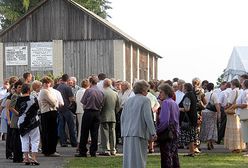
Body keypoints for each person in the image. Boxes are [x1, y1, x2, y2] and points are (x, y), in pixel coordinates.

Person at [121, 80, 156, 168]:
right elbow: (148, 117)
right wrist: (153, 132)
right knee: (139, 158)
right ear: (144, 90)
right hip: (139, 132)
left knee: (128, 158)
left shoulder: (128, 100)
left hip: (127, 132)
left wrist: (123, 131)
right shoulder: (145, 100)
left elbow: (122, 117)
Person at [75, 75, 104, 157]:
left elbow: (83, 102)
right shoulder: (101, 92)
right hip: (97, 112)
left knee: (84, 132)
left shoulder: (88, 91)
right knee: (95, 133)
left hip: (88, 112)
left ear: (91, 82)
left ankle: (83, 151)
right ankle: (93, 151)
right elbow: (102, 103)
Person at [157, 83, 180, 168]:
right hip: (175, 131)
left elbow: (164, 121)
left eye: (161, 92)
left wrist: (157, 130)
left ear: (166, 92)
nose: (159, 94)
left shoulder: (166, 103)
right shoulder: (174, 103)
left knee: (166, 157)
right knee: (174, 156)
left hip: (167, 132)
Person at [17, 84, 40, 165]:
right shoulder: (33, 98)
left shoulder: (18, 99)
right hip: (33, 121)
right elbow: (37, 107)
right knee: (35, 139)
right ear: (29, 90)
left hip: (21, 121)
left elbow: (17, 110)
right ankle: (33, 158)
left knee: (24, 139)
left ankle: (26, 158)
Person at [38, 76, 59, 157]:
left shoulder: (44, 91)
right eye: (45, 83)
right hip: (49, 112)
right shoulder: (45, 92)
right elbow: (54, 102)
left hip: (46, 112)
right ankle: (51, 151)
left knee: (47, 132)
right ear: (42, 84)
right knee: (51, 133)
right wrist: (55, 102)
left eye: (48, 82)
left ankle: (47, 150)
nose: (47, 84)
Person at [224, 79, 246, 152]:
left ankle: (235, 146)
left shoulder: (233, 91)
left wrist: (226, 107)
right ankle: (240, 145)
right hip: (239, 112)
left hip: (233, 111)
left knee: (232, 129)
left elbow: (230, 102)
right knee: (239, 129)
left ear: (233, 84)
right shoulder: (241, 91)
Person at [99, 78, 120, 156]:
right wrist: (114, 112)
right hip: (112, 115)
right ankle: (113, 149)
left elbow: (101, 105)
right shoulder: (115, 93)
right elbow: (118, 106)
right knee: (112, 132)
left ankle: (106, 149)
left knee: (105, 132)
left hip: (104, 115)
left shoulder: (102, 92)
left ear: (104, 84)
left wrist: (99, 113)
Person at [56, 74, 77, 147]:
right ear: (67, 80)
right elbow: (71, 99)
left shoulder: (58, 87)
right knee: (71, 126)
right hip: (67, 108)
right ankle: (73, 142)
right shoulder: (68, 88)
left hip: (60, 108)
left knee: (61, 126)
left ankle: (63, 142)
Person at [178, 83, 198, 157]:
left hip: (188, 119)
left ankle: (191, 151)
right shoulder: (193, 94)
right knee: (191, 136)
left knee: (189, 136)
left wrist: (178, 108)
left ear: (185, 88)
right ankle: (191, 151)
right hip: (192, 118)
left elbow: (187, 108)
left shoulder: (187, 96)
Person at [200, 83, 220, 150]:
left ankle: (207, 140)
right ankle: (210, 141)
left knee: (206, 127)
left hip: (204, 112)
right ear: (213, 87)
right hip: (212, 113)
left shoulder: (204, 94)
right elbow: (217, 104)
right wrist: (219, 112)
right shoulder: (214, 94)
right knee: (212, 127)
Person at [9, 80, 23, 162]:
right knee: (16, 140)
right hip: (15, 120)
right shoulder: (15, 95)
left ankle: (19, 157)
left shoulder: (20, 95)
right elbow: (11, 107)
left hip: (20, 120)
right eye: (19, 87)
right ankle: (16, 157)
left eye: (21, 87)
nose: (20, 89)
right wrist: (18, 114)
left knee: (19, 140)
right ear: (16, 88)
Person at [75, 79, 89, 150]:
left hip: (78, 111)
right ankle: (81, 145)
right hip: (84, 111)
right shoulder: (86, 92)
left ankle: (79, 144)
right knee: (83, 129)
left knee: (80, 128)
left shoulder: (78, 91)